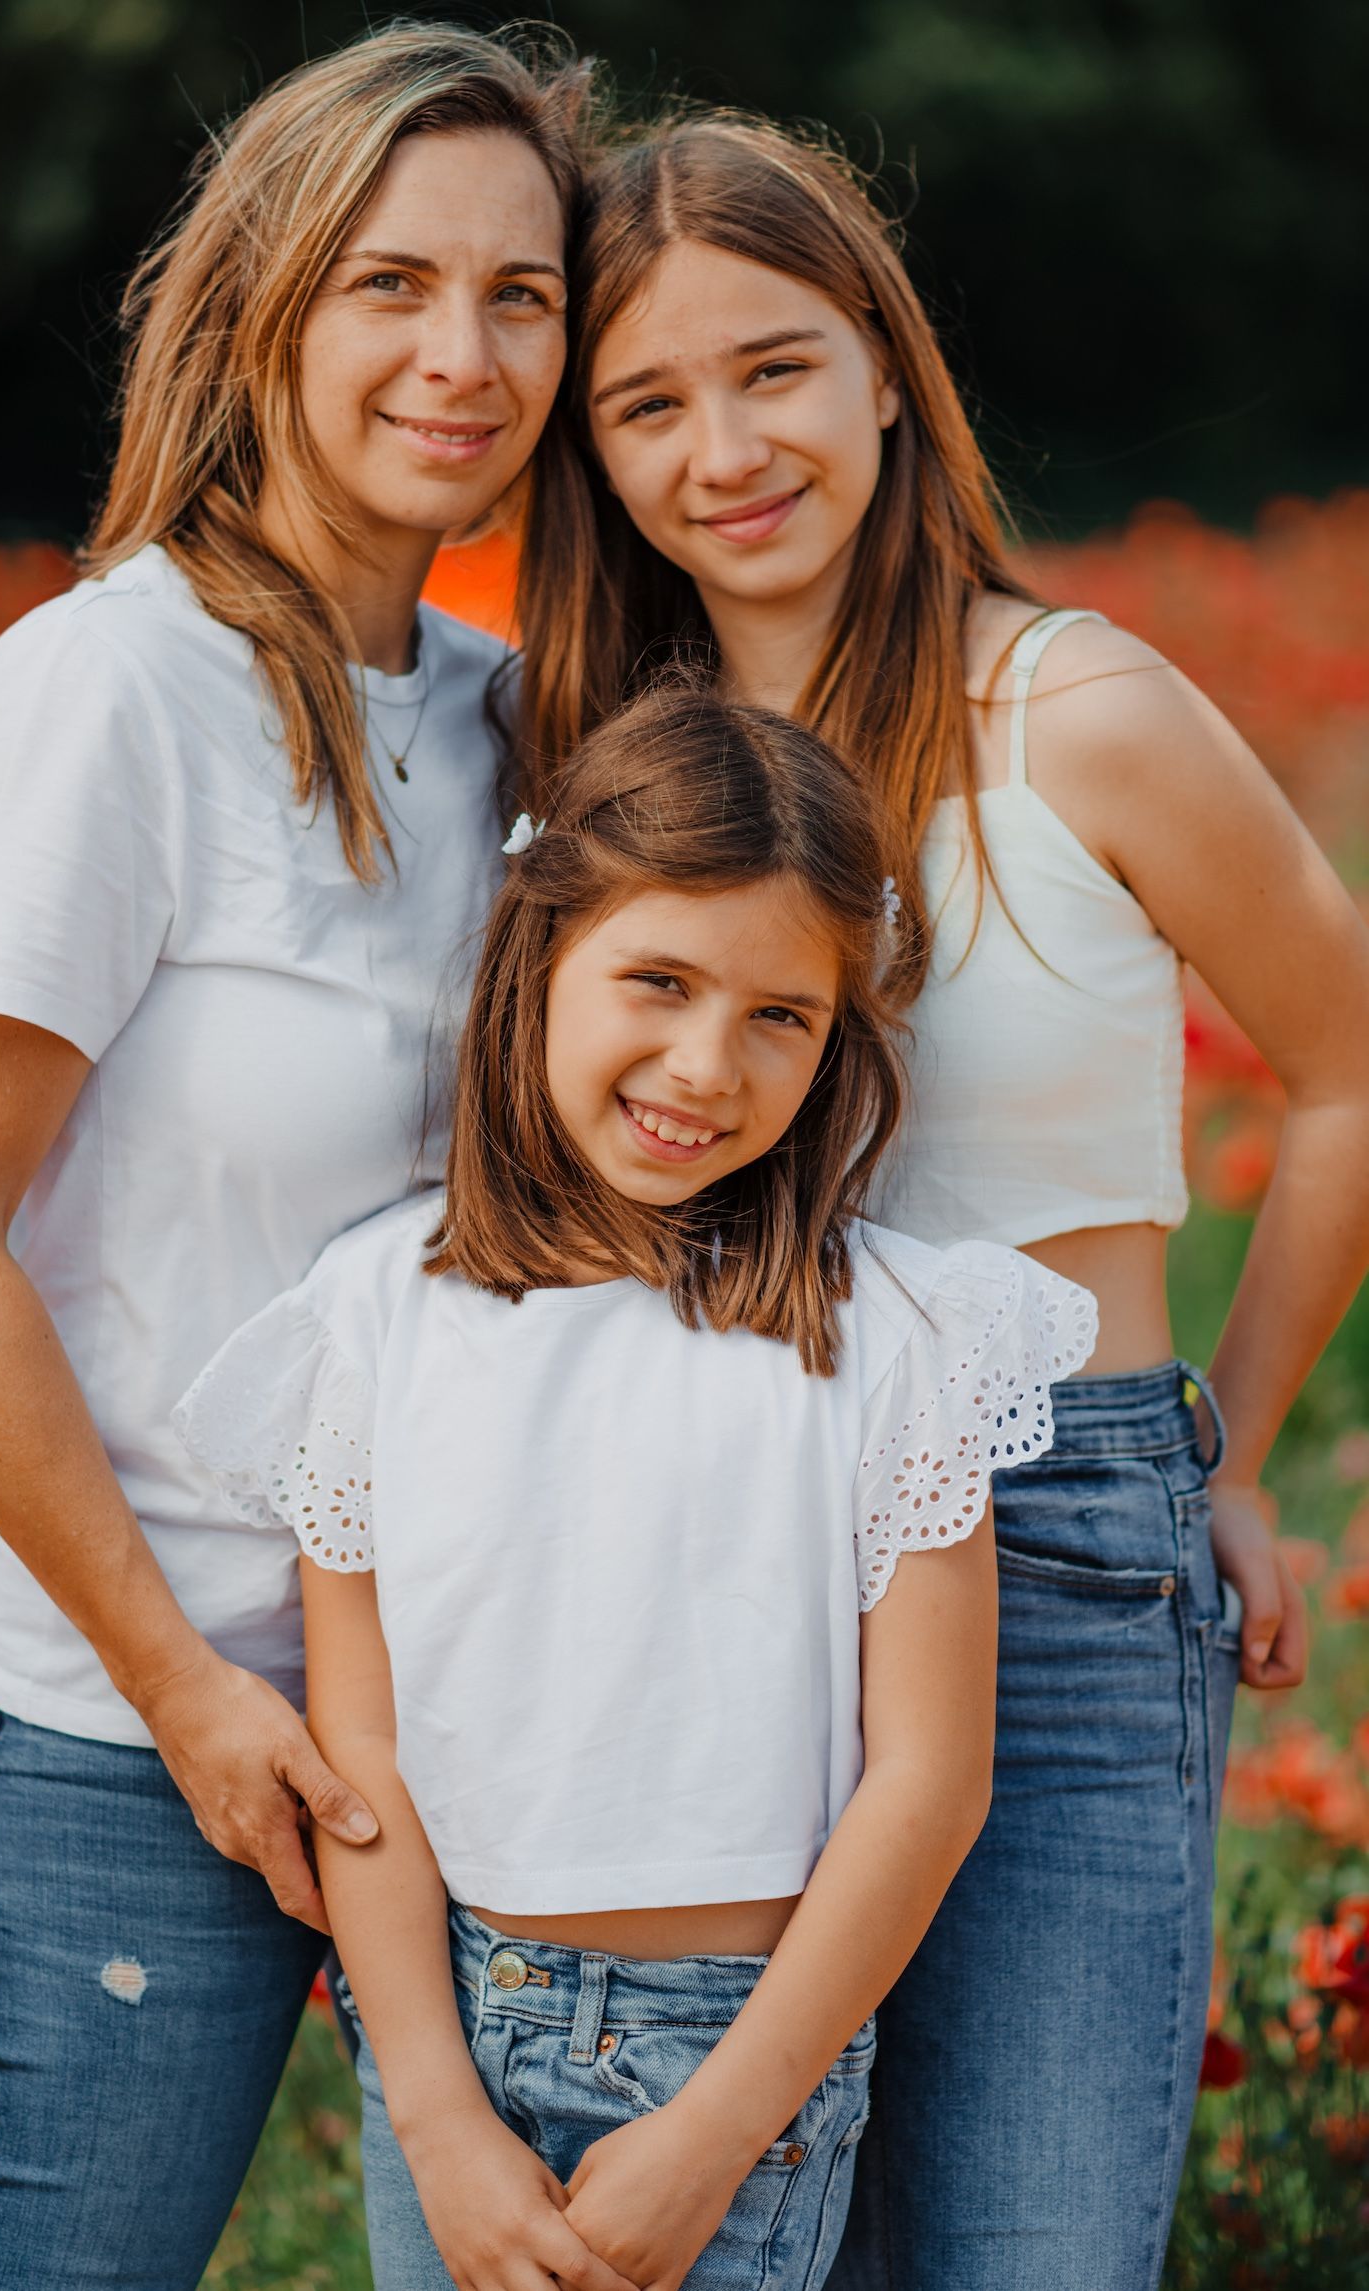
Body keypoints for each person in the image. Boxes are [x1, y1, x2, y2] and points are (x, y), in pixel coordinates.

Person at [515, 114, 1369, 2291]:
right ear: (589, 454)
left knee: (1021, 2251)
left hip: (1060, 1536)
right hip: (706, 1540)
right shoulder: (609, 766)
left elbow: (1350, 1067)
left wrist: (1223, 1455)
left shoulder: (1069, 711)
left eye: (774, 365)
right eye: (646, 401)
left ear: (884, 366)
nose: (723, 445)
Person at [0, 26, 597, 2289]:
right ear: (257, 299)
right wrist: (182, 1688)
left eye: (521, 295)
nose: (459, 356)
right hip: (129, 1732)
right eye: (388, 282)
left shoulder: (504, 723)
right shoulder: (112, 696)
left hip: (472, 1724)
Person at [175, 681, 1098, 2289]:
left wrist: (723, 2127)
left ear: (836, 1036)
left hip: (735, 2058)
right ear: (543, 960)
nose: (703, 1064)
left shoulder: (896, 1341)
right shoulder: (376, 1316)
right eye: (656, 983)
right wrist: (438, 2120)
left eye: (778, 1017)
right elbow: (364, 1753)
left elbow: (928, 1781)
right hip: (449, 2028)